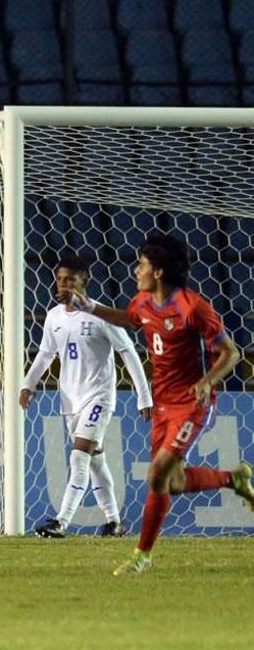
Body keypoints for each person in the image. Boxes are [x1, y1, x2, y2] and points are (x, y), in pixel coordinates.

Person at [62, 233, 253, 575]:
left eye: (142, 265)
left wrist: (207, 381)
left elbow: (231, 353)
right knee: (173, 482)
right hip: (163, 404)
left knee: (156, 474)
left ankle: (141, 555)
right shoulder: (143, 303)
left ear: (159, 272)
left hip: (193, 403)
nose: (136, 271)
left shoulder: (192, 307)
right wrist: (87, 306)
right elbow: (128, 319)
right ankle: (233, 479)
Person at [20, 252, 152, 539]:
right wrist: (27, 384)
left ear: (85, 281)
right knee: (95, 460)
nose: (63, 285)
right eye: (59, 279)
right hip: (70, 400)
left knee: (79, 456)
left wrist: (144, 397)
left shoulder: (100, 315)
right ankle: (114, 522)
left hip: (99, 397)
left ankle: (61, 521)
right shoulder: (54, 317)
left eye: (69, 280)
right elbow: (45, 354)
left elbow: (128, 352)